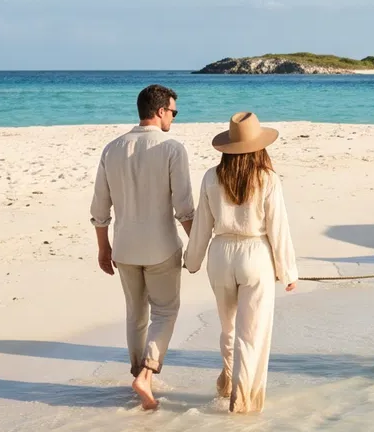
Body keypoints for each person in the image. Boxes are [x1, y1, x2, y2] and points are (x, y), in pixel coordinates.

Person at [183, 112, 298, 414]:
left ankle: (227, 382)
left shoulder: (212, 176)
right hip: (255, 253)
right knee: (253, 333)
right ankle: (243, 399)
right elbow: (278, 227)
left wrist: (192, 260)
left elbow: (202, 226)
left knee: (228, 327)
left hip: (220, 255)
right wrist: (287, 270)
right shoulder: (267, 178)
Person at [91, 83, 194, 410]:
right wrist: (198, 247)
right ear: (161, 110)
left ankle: (136, 373)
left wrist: (103, 248)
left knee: (135, 313)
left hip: (124, 246)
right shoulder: (172, 148)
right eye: (173, 113)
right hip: (161, 245)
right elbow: (185, 208)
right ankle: (147, 372)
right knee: (165, 310)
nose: (174, 119)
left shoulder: (112, 148)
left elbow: (99, 208)